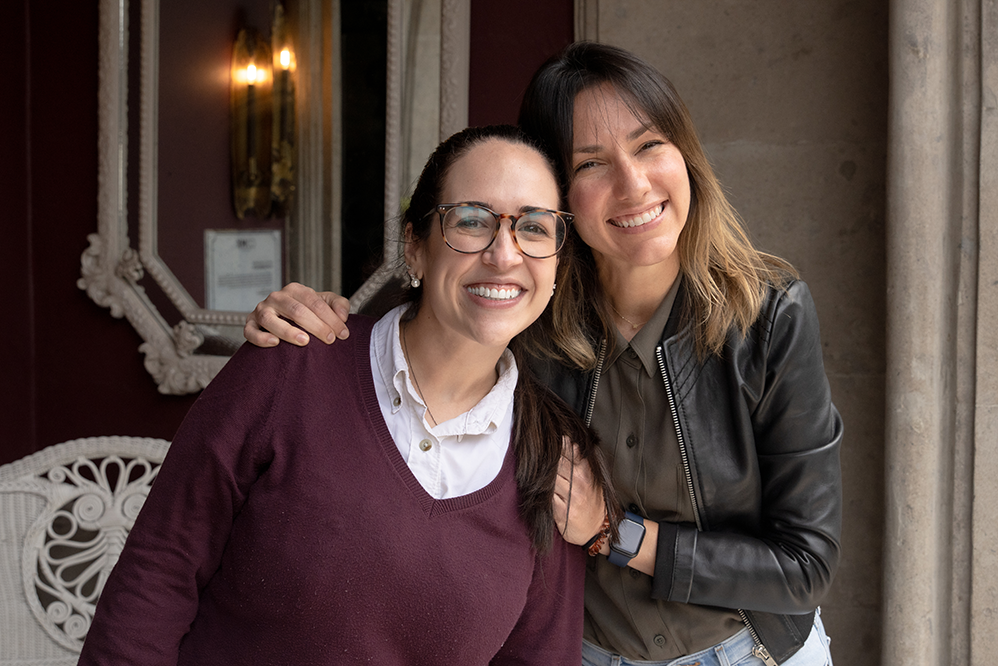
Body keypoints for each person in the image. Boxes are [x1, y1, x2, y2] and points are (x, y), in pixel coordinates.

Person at [243, 42, 842, 666]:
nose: (633, 185)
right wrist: (308, 320)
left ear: (685, 153)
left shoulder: (768, 316)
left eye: (649, 145)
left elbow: (805, 566)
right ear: (553, 195)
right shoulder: (520, 314)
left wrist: (619, 535)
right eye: (590, 164)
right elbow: (414, 326)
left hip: (750, 654)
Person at [77, 124, 621, 666]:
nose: (504, 254)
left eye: (534, 227)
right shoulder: (293, 361)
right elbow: (159, 573)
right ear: (415, 247)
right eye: (473, 221)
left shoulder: (554, 455)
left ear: (556, 264)